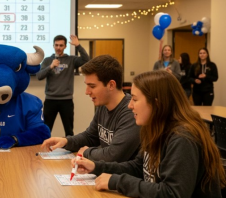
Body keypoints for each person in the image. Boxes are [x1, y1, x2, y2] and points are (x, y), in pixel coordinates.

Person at [73, 70, 225, 197]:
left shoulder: (182, 138)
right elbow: (139, 167)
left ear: (157, 103)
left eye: (134, 99)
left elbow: (173, 193)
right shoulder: (153, 127)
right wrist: (96, 166)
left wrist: (117, 182)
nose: (130, 105)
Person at [41, 55, 140, 162]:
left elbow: (113, 155)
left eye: (92, 86)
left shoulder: (131, 112)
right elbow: (90, 137)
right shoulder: (103, 105)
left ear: (111, 85)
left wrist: (87, 152)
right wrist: (66, 141)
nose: (87, 92)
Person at [36, 35, 89, 136]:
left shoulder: (71, 60)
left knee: (69, 130)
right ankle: (43, 149)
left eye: (61, 45)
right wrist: (51, 66)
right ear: (53, 46)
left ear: (65, 46)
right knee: (46, 129)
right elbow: (39, 76)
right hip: (50, 100)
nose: (58, 48)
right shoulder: (47, 60)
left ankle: (70, 149)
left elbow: (86, 60)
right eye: (56, 45)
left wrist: (78, 46)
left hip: (66, 101)